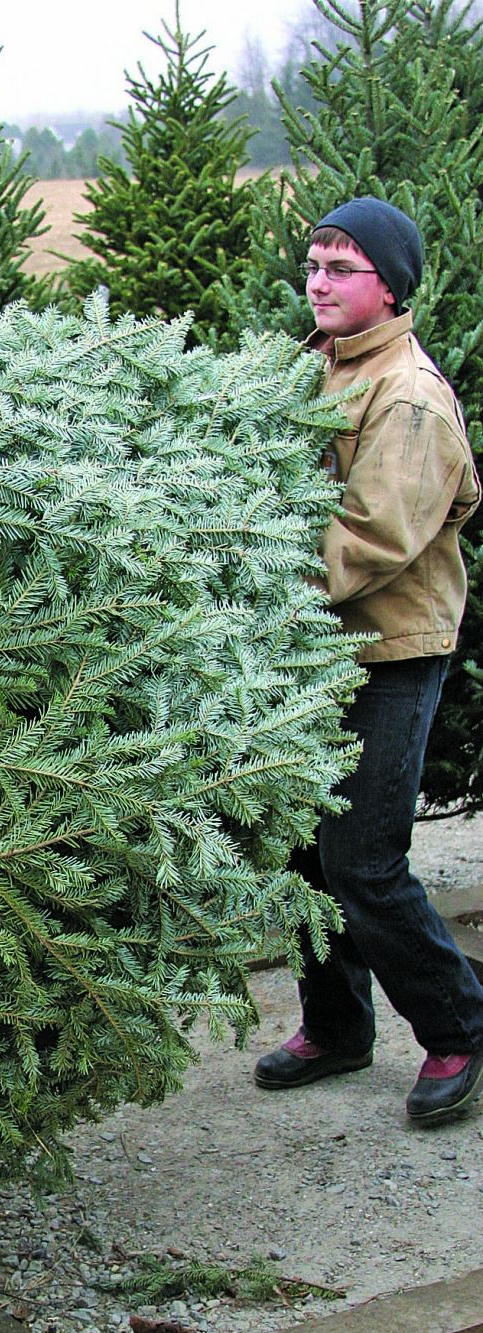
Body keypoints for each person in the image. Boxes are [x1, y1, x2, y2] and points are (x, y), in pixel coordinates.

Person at [254, 197, 483, 1125]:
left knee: (364, 859)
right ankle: (338, 1029)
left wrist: (252, 582)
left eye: (341, 268)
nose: (318, 282)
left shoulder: (409, 395)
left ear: (389, 287)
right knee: (306, 850)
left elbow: (372, 535)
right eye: (313, 265)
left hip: (391, 648)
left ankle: (460, 1024)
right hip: (320, 644)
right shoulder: (317, 366)